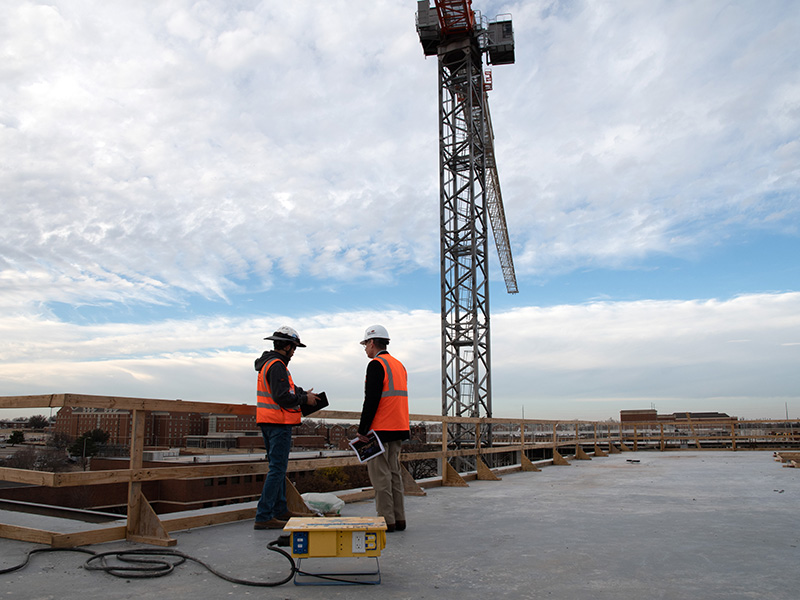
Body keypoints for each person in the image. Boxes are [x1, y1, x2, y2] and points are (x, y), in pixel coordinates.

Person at [254, 326, 319, 530]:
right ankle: (264, 515)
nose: (294, 353)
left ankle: (280, 509)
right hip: (278, 423)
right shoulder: (277, 366)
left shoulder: (269, 364)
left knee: (278, 469)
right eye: (294, 348)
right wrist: (304, 399)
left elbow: (285, 389)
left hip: (269, 422)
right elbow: (282, 396)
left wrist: (301, 393)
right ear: (288, 346)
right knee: (277, 469)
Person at [356, 324, 410, 532]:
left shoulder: (376, 365)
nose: (365, 349)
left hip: (380, 430)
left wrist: (362, 430)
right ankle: (399, 519)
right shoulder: (399, 365)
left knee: (381, 477)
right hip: (399, 426)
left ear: (371, 342)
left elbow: (372, 400)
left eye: (365, 345)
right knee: (394, 474)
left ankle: (386, 521)